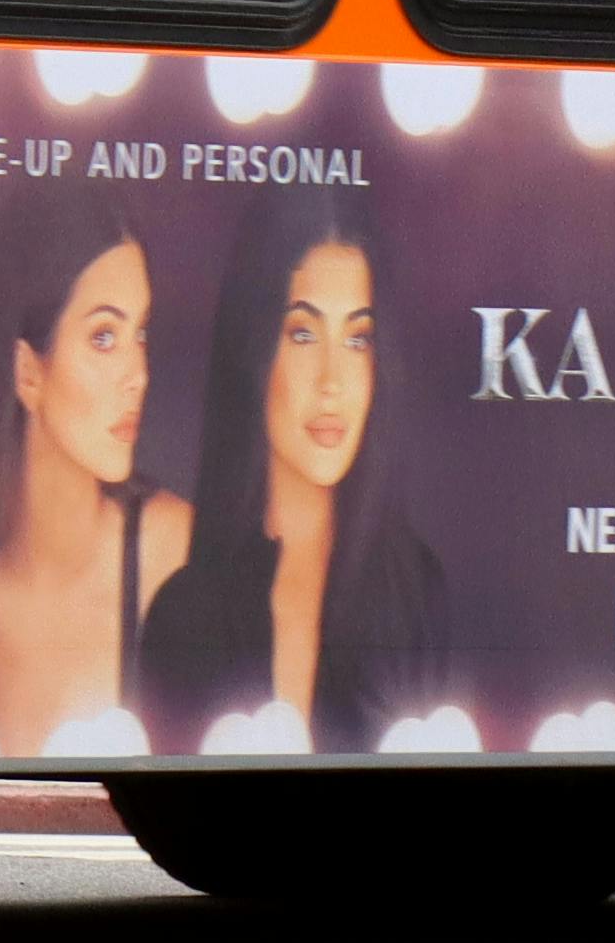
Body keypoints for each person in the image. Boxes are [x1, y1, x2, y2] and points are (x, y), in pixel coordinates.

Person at [0, 175, 189, 756]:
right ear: (27, 370)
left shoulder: (172, 554)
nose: (139, 375)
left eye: (141, 334)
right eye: (104, 337)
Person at [140, 186, 444, 752]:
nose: (332, 381)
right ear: (253, 348)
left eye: (358, 339)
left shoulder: (416, 598)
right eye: (303, 333)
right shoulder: (185, 612)